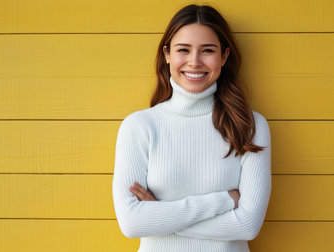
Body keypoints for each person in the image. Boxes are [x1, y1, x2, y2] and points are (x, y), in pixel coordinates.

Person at [112, 4, 271, 252]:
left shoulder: (249, 126)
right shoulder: (140, 126)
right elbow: (132, 223)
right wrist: (225, 200)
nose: (194, 62)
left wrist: (159, 215)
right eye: (183, 50)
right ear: (167, 54)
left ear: (224, 56)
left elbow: (248, 225)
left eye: (207, 50)